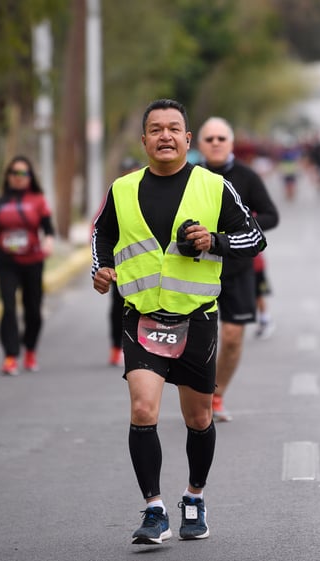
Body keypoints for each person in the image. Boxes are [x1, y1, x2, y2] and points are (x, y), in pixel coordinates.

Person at [91, 99, 266, 545]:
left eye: (174, 129)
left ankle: (194, 496)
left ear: (188, 140)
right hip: (141, 317)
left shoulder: (214, 186)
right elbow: (102, 234)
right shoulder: (122, 189)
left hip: (197, 319)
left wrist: (215, 240)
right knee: (143, 408)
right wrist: (103, 268)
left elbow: (255, 237)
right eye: (156, 129)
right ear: (144, 140)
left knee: (199, 417)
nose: (165, 136)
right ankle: (154, 510)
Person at [197, 116, 279, 422]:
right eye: (210, 139)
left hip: (238, 268)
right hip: (196, 269)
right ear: (198, 143)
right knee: (196, 340)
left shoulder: (246, 177)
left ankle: (216, 395)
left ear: (231, 143)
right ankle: (199, 396)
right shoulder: (189, 177)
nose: (216, 143)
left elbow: (272, 215)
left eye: (221, 138)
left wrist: (242, 229)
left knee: (232, 337)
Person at [0, 156, 55, 375]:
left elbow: (49, 229)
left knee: (33, 310)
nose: (18, 178)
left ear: (30, 177)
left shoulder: (38, 200)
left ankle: (30, 350)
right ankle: (10, 356)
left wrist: (49, 243)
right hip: (7, 261)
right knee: (8, 307)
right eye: (14, 173)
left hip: (33, 261)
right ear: (8, 177)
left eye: (23, 173)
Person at [106, 157, 143, 367]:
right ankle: (116, 347)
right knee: (118, 306)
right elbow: (99, 228)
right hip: (119, 264)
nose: (130, 173)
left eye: (134, 170)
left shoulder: (149, 193)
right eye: (126, 170)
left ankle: (141, 345)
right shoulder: (115, 194)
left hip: (144, 263)